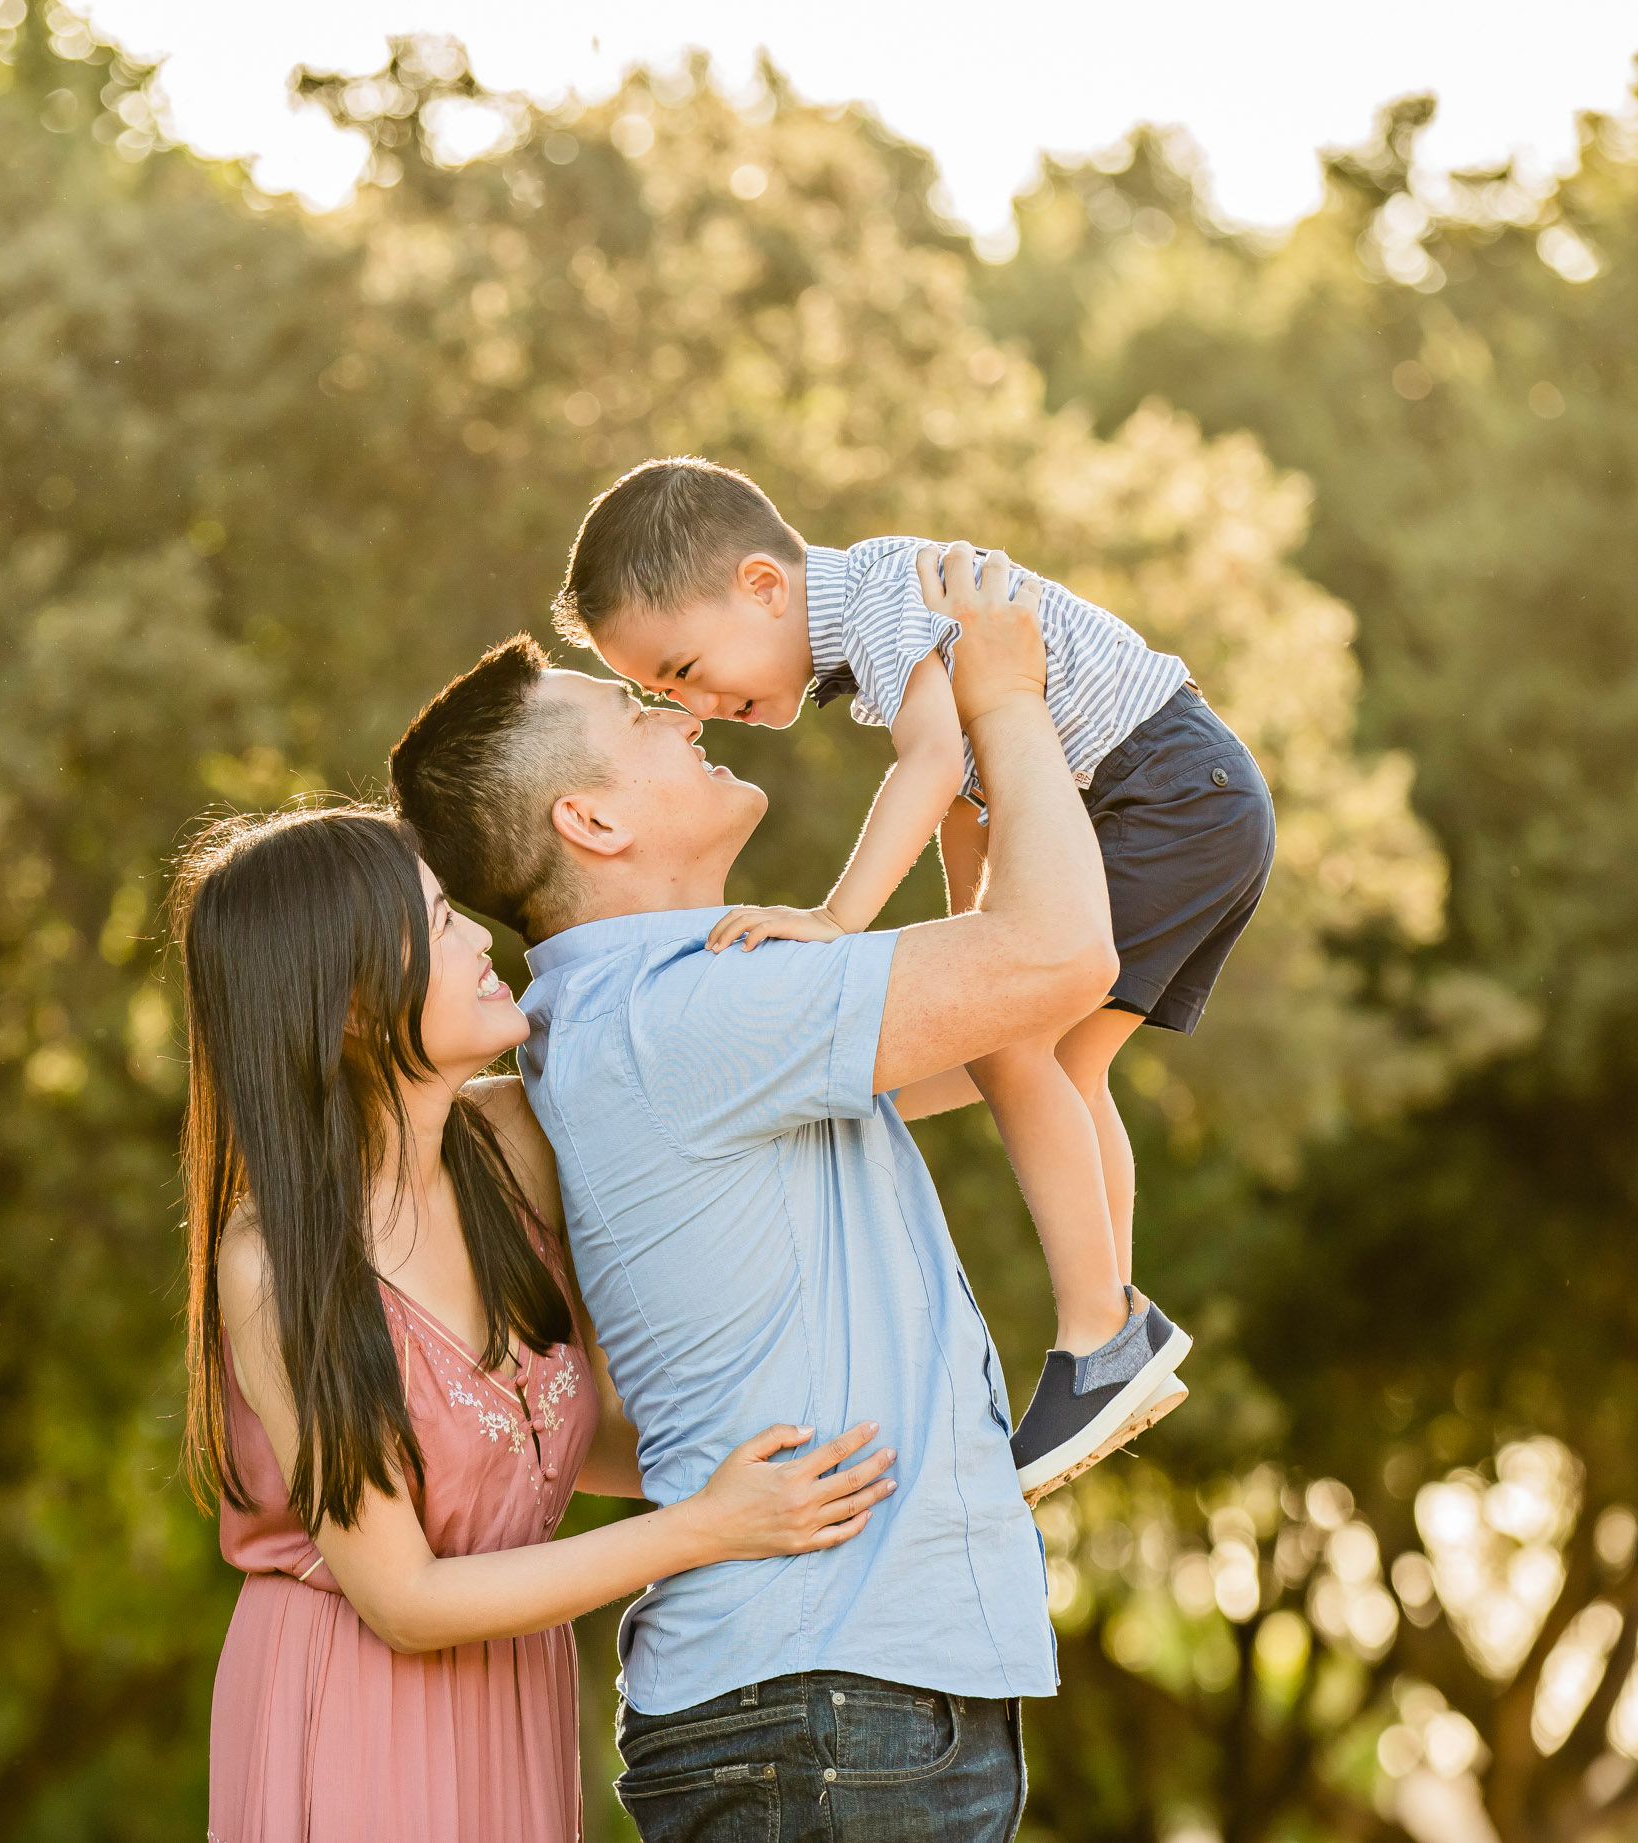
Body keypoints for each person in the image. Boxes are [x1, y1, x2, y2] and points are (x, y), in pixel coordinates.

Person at [389, 546, 1116, 1841]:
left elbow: (1017, 1019)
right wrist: (1001, 696)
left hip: (828, 1709)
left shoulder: (660, 1011)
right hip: (828, 1712)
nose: (676, 712)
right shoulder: (691, 1013)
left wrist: (963, 814)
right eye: (633, 714)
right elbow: (1061, 955)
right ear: (592, 822)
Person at [544, 456, 1276, 1501]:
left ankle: (1099, 1333)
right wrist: (976, 937)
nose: (698, 703)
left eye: (688, 666)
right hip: (1191, 793)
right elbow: (973, 798)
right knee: (1063, 1056)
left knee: (1011, 1043)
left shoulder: (885, 601)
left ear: (763, 584)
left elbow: (932, 766)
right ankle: (1108, 1323)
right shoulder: (870, 619)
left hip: (1157, 793)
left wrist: (835, 919)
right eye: (664, 693)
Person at [174, 804, 897, 1843]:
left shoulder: (513, 1145)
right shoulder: (278, 1268)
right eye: (437, 920)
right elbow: (407, 1598)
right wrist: (710, 1525)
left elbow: (539, 1443)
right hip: (352, 1699)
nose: (477, 936)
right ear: (347, 1001)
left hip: (508, 1687)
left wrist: (769, 1470)